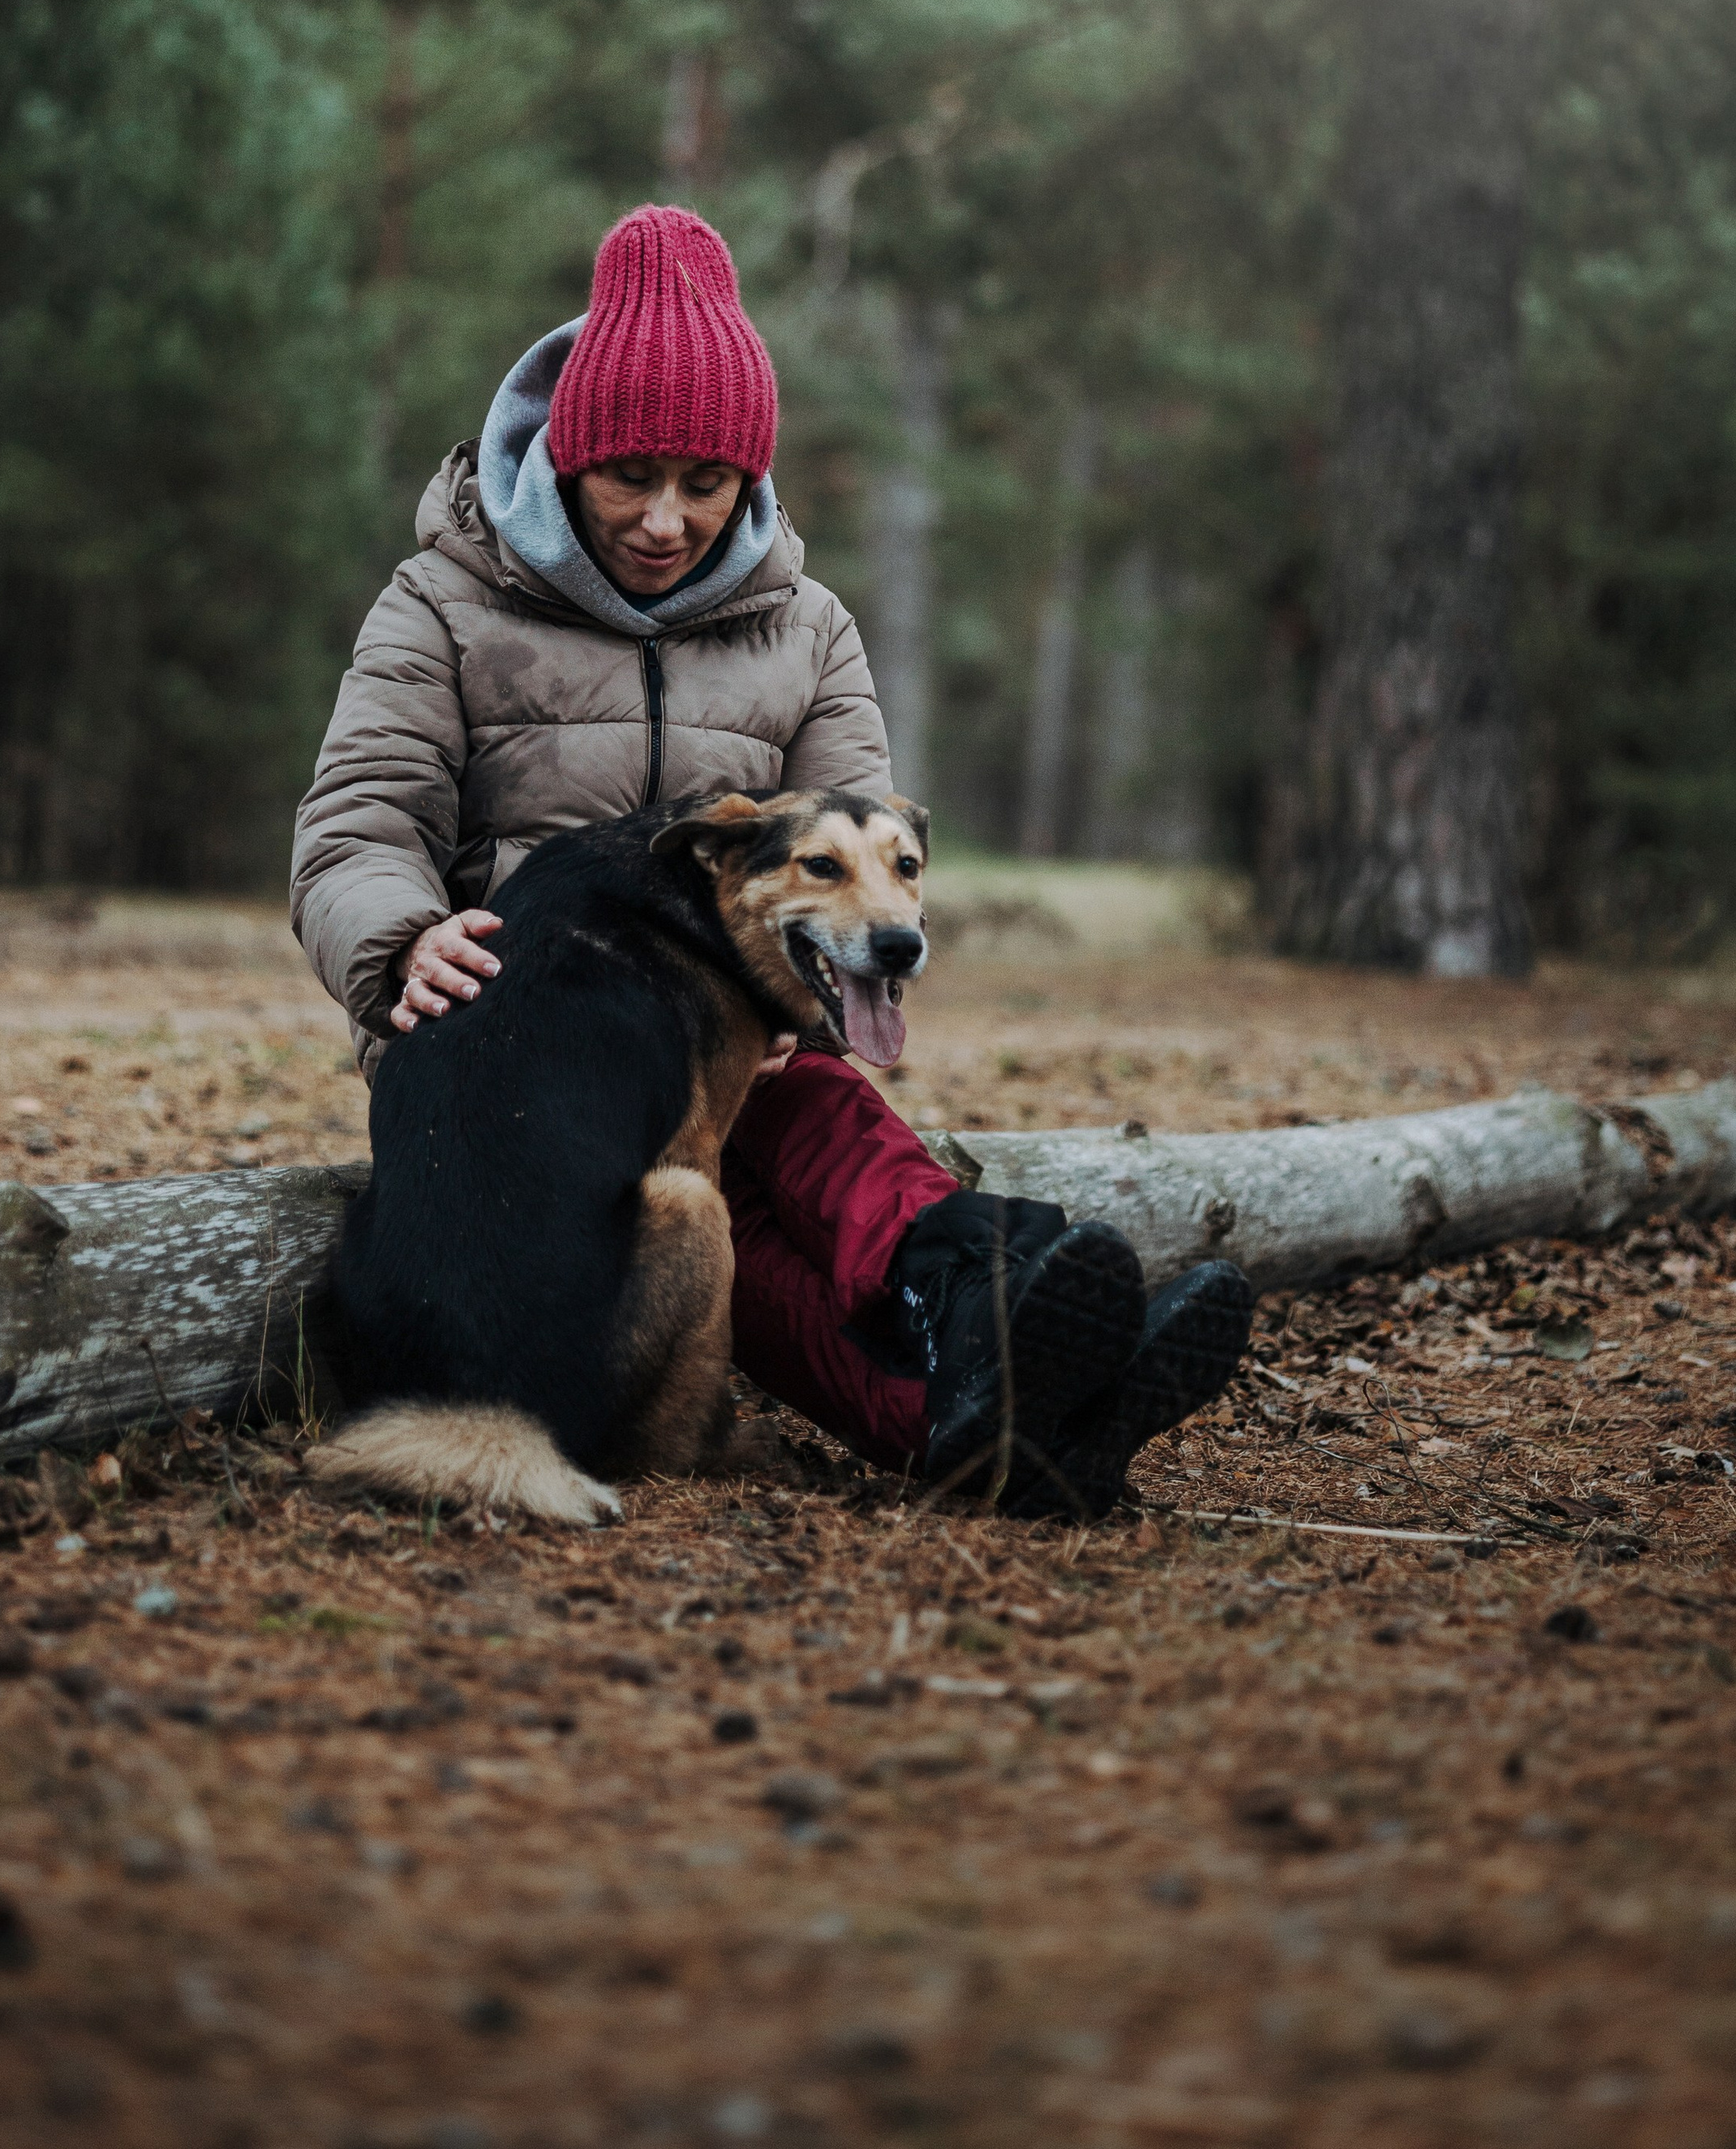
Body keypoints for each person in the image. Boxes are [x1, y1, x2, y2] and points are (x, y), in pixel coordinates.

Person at [293, 204, 1249, 1513]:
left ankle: (995, 1389)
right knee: (720, 1218)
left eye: (707, 479)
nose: (667, 519)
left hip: (729, 1059)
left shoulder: (808, 629)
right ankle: (993, 1338)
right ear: (568, 454)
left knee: (809, 1161)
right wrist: (401, 934)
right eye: (630, 474)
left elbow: (858, 856)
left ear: (751, 473)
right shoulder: (445, 599)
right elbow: (356, 821)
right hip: (519, 1077)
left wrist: (826, 980)